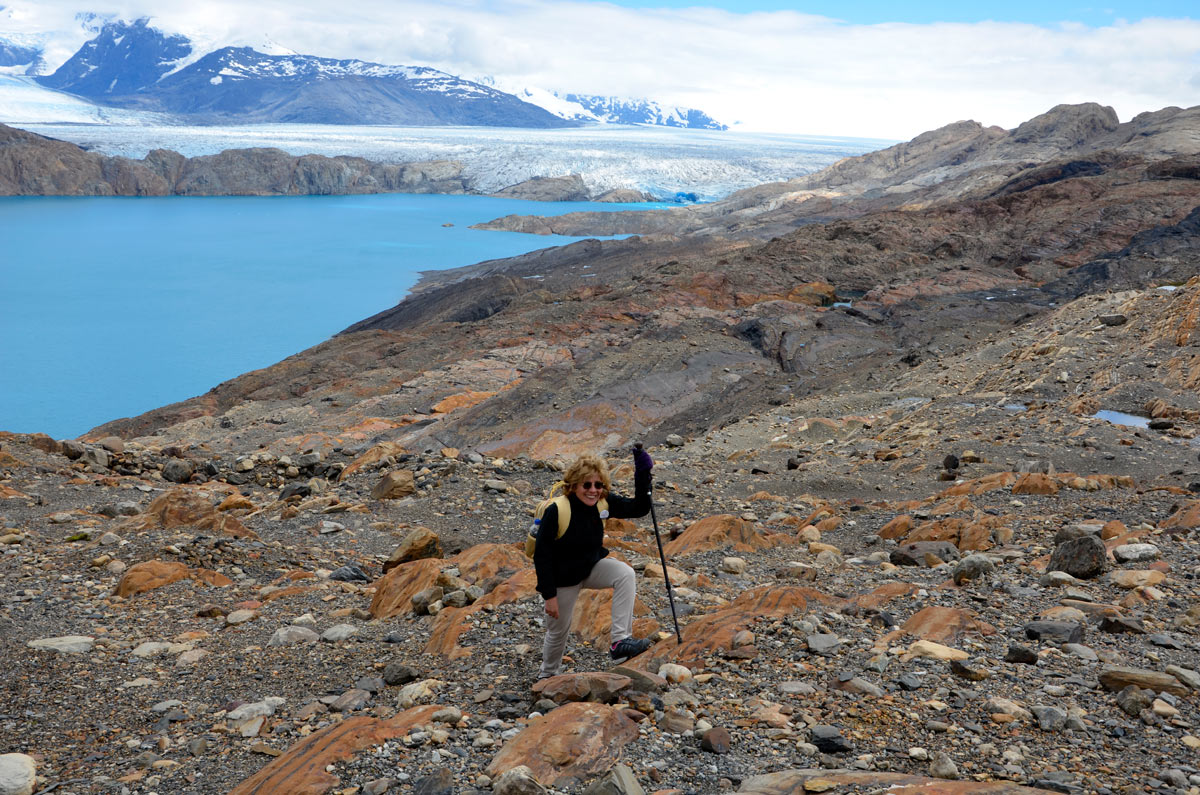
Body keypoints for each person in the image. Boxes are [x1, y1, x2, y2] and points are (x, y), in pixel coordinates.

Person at [534, 447, 655, 679]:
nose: (593, 491)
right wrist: (549, 596)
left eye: (598, 485)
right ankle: (547, 677)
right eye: (586, 485)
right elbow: (542, 555)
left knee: (625, 574)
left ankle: (620, 643)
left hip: (590, 569)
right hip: (563, 579)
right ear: (574, 485)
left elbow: (640, 508)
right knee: (558, 631)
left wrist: (643, 473)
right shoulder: (557, 510)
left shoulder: (602, 502)